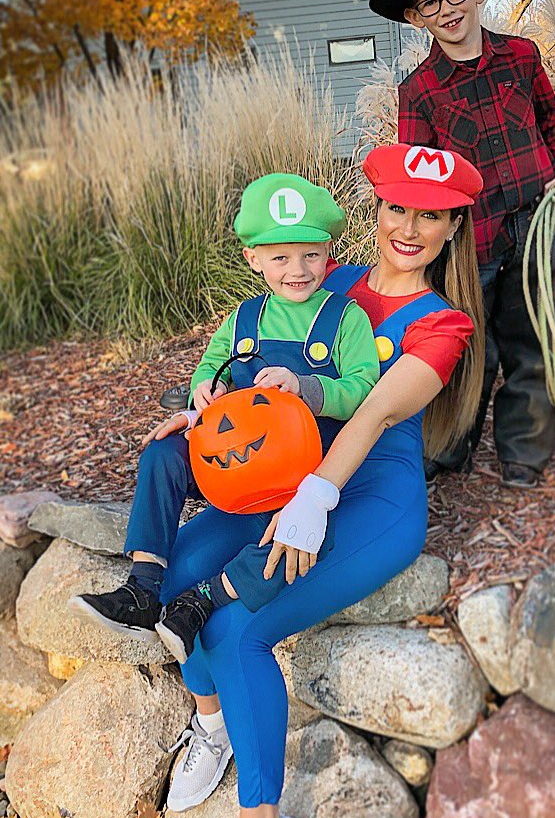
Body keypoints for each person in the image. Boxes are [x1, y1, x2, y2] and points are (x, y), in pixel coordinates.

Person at [151, 143, 485, 818]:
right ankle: (213, 721)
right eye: (397, 207)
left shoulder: (442, 323)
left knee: (236, 626)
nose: (409, 227)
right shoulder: (329, 280)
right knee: (177, 565)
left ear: (453, 228)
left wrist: (318, 497)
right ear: (376, 209)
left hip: (366, 498)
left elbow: (371, 414)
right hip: (287, 478)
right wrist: (202, 404)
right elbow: (249, 356)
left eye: (431, 215)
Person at [71, 172, 380, 670]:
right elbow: (210, 369)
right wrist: (202, 397)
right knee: (163, 452)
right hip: (237, 463)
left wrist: (305, 386)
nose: (297, 270)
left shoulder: (345, 318)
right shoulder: (242, 319)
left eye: (311, 255)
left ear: (329, 251)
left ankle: (204, 600)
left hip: (304, 470)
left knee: (303, 536)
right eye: (280, 258)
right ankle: (143, 588)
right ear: (253, 259)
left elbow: (365, 389)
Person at [370, 0, 555, 489]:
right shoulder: (419, 91)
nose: (447, 9)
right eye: (430, 3)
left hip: (538, 221)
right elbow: (419, 184)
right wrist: (421, 238)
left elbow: (551, 122)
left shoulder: (521, 56)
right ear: (416, 17)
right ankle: (449, 446)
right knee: (467, 346)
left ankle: (524, 449)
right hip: (472, 240)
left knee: (537, 336)